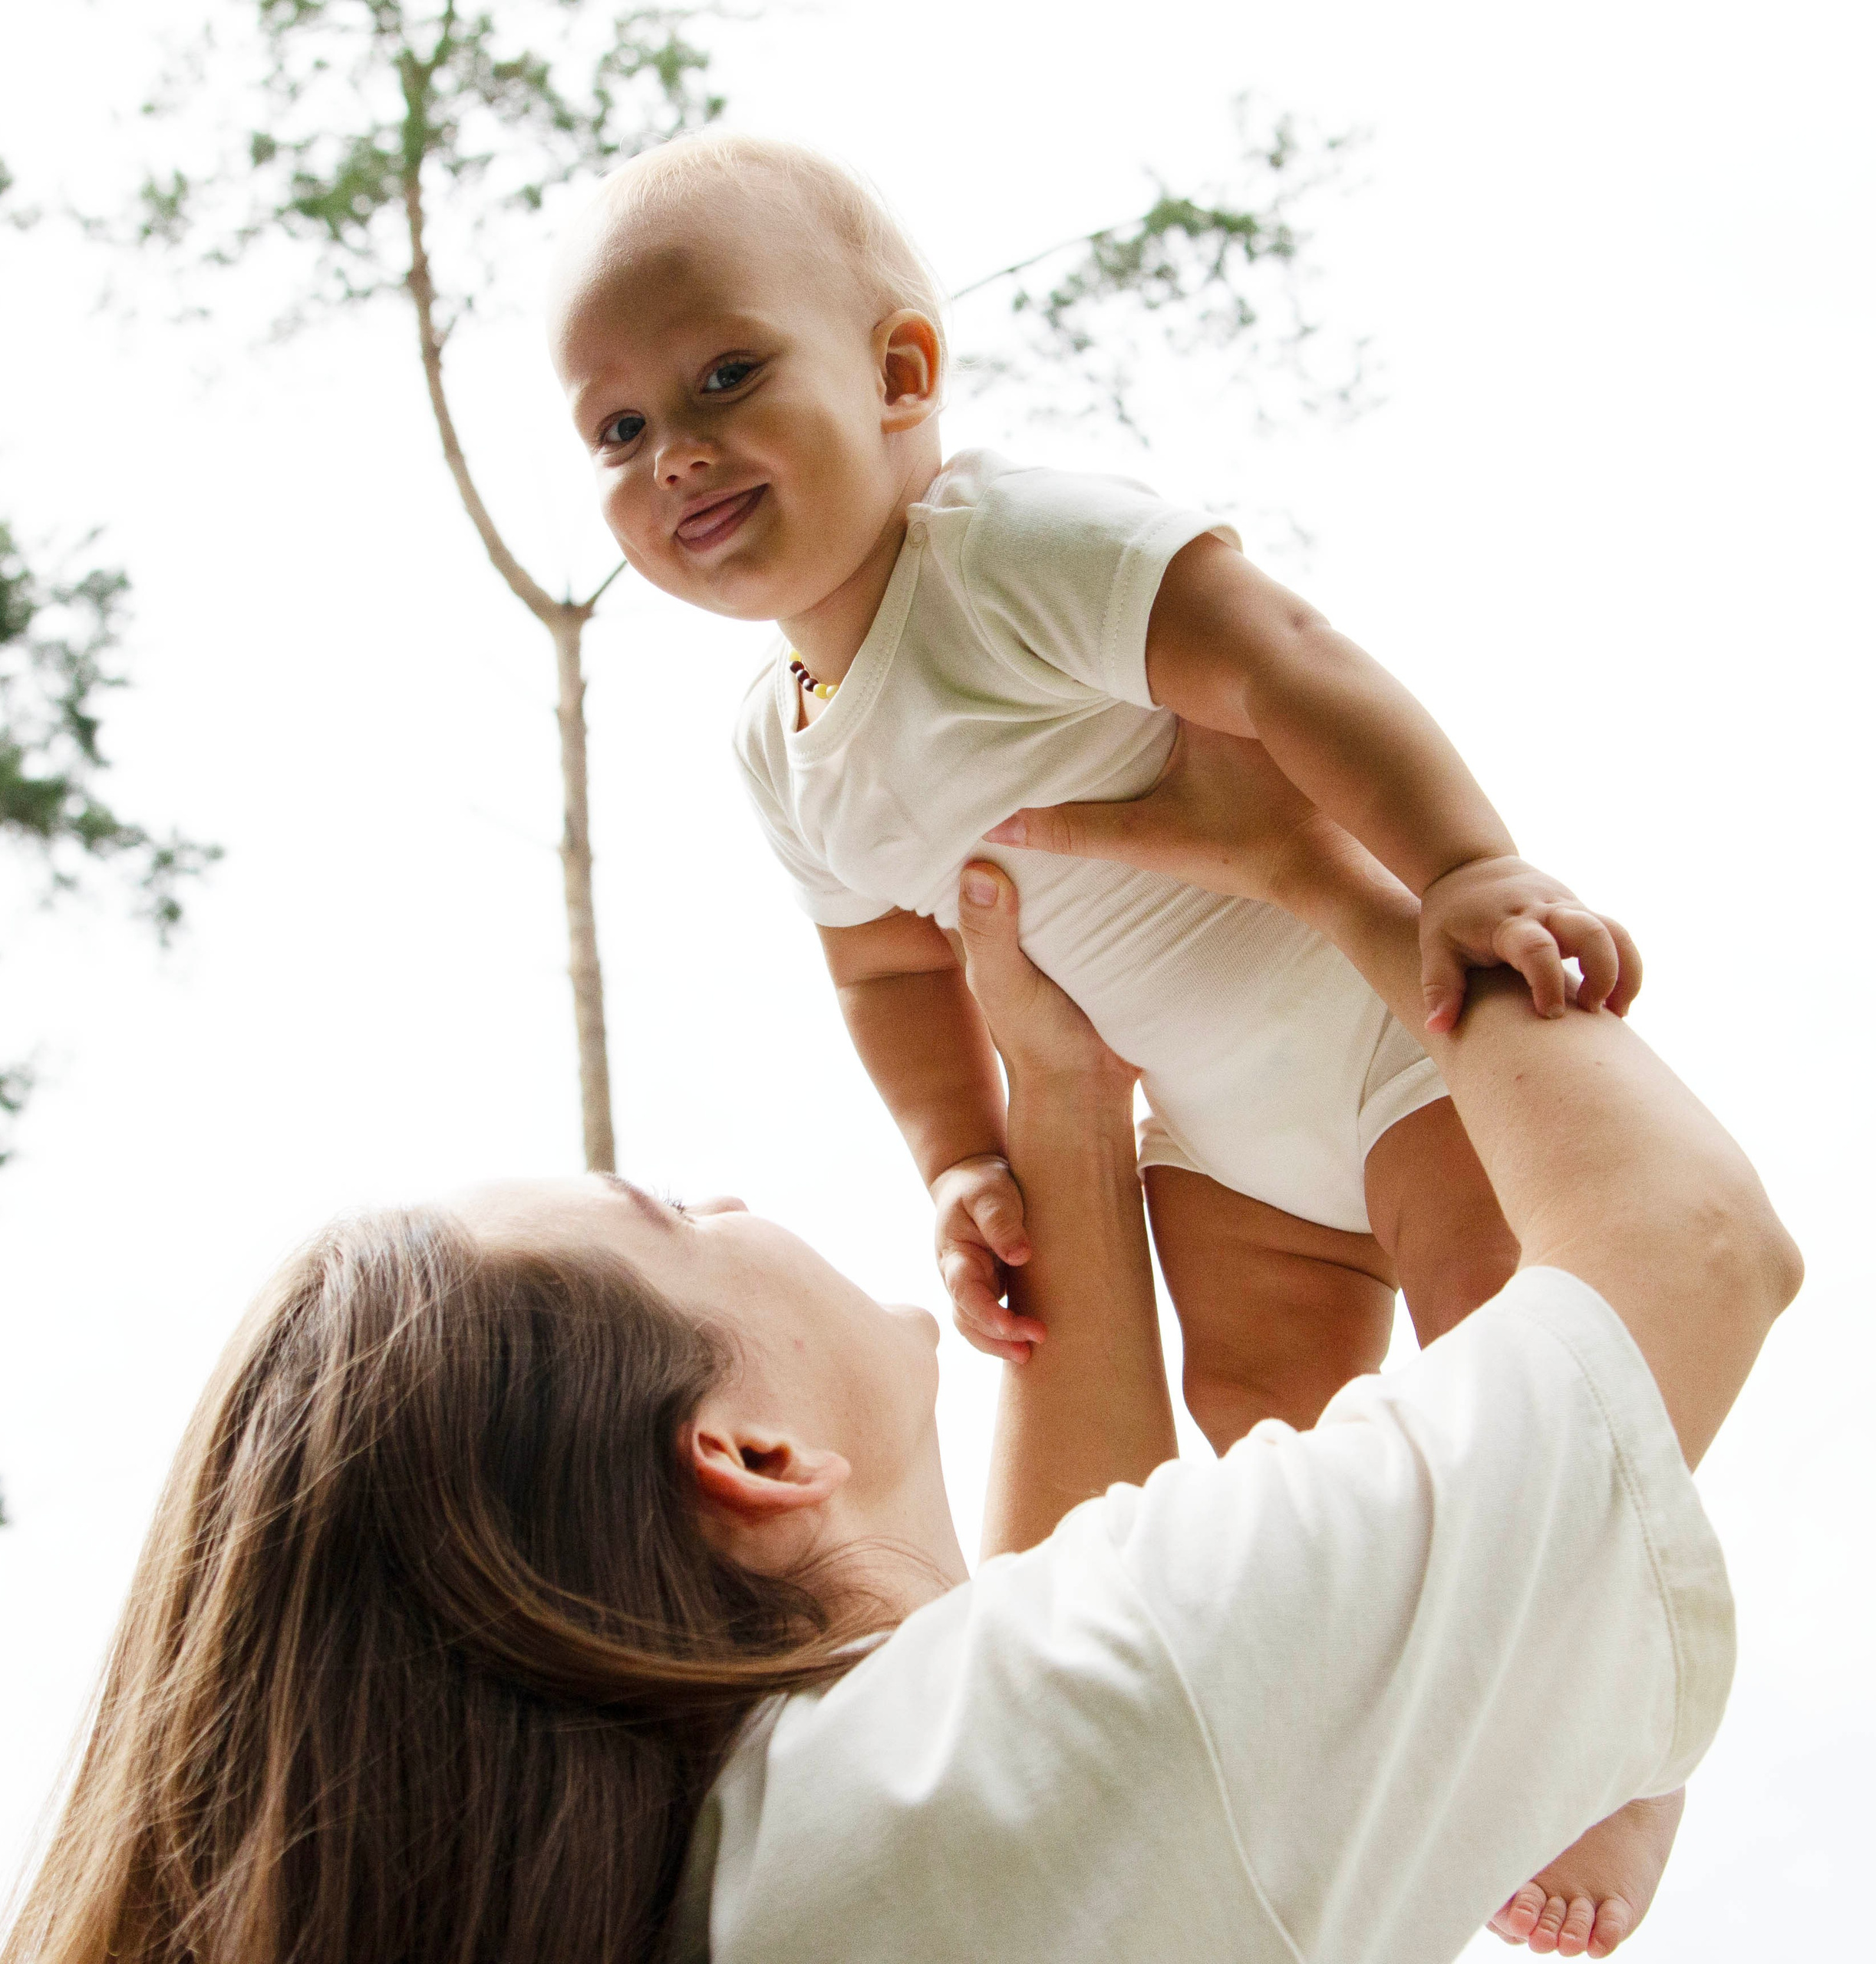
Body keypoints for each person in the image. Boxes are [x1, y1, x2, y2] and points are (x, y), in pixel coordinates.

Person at [2, 730, 1799, 1964]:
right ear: (749, 1451)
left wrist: (1066, 1109)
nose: (727, 1194)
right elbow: (1690, 1255)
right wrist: (1351, 873)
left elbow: (1051, 1705)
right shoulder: (927, 1813)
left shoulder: (760, 1876)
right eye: (672, 1213)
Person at [545, 131, 1642, 1461]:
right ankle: (1374, 1658)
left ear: (901, 375)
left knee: (1506, 1360)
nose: (676, 452)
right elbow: (887, 973)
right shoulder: (777, 751)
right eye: (621, 427)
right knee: (1253, 1421)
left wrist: (1464, 867)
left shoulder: (1002, 550)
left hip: (1385, 1025)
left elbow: (1278, 659)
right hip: (1212, 1142)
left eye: (727, 376)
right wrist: (961, 1159)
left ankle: (1558, 1615)